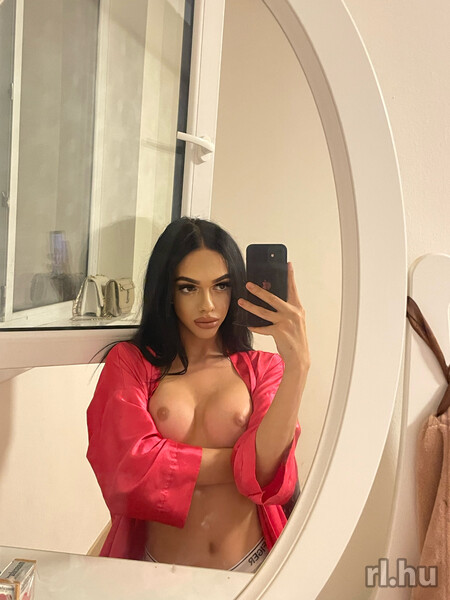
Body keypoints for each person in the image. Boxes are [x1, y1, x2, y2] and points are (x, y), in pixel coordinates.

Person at [86, 217, 310, 573]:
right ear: (167, 291)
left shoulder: (264, 369)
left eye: (221, 286)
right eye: (189, 288)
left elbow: (268, 473)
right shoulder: (130, 363)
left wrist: (298, 365)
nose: (208, 305)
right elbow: (127, 470)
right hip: (155, 571)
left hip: (252, 569)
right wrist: (242, 463)